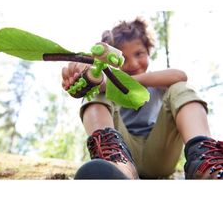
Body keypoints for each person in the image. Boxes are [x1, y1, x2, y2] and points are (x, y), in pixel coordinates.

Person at [61, 17, 223, 179]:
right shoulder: (106, 82)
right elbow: (94, 78)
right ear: (112, 60)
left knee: (180, 87)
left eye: (139, 54)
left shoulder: (158, 82)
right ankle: (114, 165)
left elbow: (180, 76)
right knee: (95, 91)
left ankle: (205, 160)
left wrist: (116, 83)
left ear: (148, 51)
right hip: (120, 153)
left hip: (159, 154)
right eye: (123, 58)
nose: (133, 64)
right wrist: (85, 77)